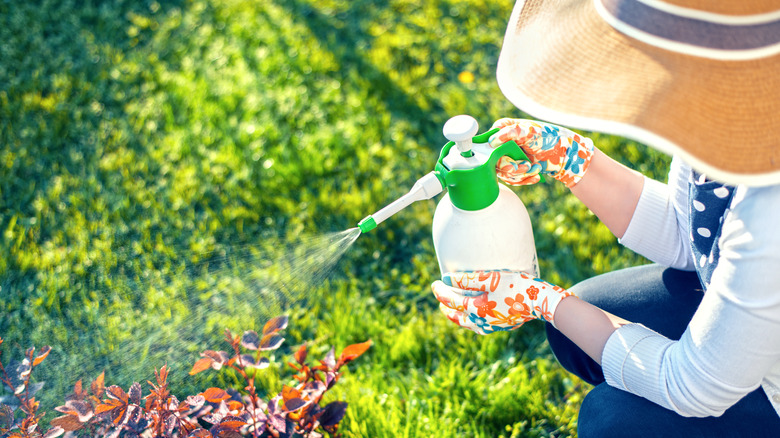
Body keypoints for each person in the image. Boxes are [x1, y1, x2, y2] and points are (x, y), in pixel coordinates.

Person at [430, 0, 780, 436]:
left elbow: (694, 387)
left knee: (612, 420)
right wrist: (572, 159)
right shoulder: (735, 110)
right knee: (582, 323)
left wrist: (544, 302)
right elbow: (691, 235)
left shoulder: (771, 205)